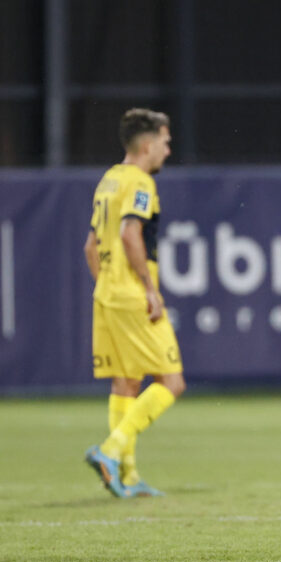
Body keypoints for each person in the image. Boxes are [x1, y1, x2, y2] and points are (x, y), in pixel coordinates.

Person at [83, 108, 186, 498]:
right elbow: (130, 234)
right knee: (171, 382)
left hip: (107, 294)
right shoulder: (141, 182)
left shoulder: (109, 180)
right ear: (147, 144)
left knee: (125, 382)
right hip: (132, 296)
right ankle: (110, 451)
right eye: (165, 142)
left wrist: (108, 287)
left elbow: (90, 246)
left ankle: (125, 476)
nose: (168, 150)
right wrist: (147, 289)